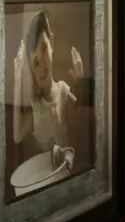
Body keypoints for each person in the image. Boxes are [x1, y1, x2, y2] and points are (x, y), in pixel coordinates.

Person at [11, 10, 84, 160]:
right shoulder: (36, 106)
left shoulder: (63, 91)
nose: (42, 65)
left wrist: (80, 81)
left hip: (65, 169)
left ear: (52, 44)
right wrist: (18, 77)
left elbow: (81, 118)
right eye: (36, 62)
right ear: (32, 69)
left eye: (44, 48)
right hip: (44, 173)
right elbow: (17, 136)